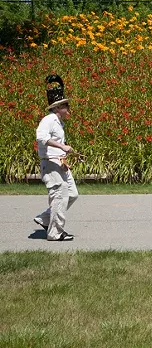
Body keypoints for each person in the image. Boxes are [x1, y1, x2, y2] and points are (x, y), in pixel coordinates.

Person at [34, 74, 78, 241]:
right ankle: (55, 232)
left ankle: (45, 219)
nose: (68, 108)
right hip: (51, 165)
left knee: (72, 194)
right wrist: (61, 146)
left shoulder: (59, 122)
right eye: (65, 105)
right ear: (58, 107)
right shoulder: (49, 120)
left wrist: (65, 152)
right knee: (59, 195)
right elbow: (41, 137)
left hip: (61, 164)